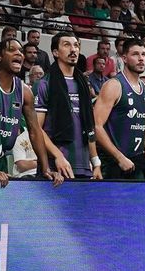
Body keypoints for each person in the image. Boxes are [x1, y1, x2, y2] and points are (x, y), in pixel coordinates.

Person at [0, 39, 69, 186]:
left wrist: (45, 168)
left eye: (21, 51)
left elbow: (35, 131)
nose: (19, 54)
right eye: (12, 50)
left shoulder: (24, 91)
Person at [38, 32, 99, 180]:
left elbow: (89, 127)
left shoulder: (83, 83)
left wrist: (95, 162)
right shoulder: (45, 83)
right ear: (55, 52)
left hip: (83, 166)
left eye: (76, 45)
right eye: (67, 45)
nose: (73, 49)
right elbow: (36, 129)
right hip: (56, 167)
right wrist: (58, 156)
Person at [93, 37, 145, 180]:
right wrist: (119, 157)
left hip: (136, 158)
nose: (141, 59)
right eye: (135, 54)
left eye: (143, 54)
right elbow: (96, 126)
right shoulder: (114, 85)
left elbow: (138, 122)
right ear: (124, 58)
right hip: (115, 161)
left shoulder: (144, 87)